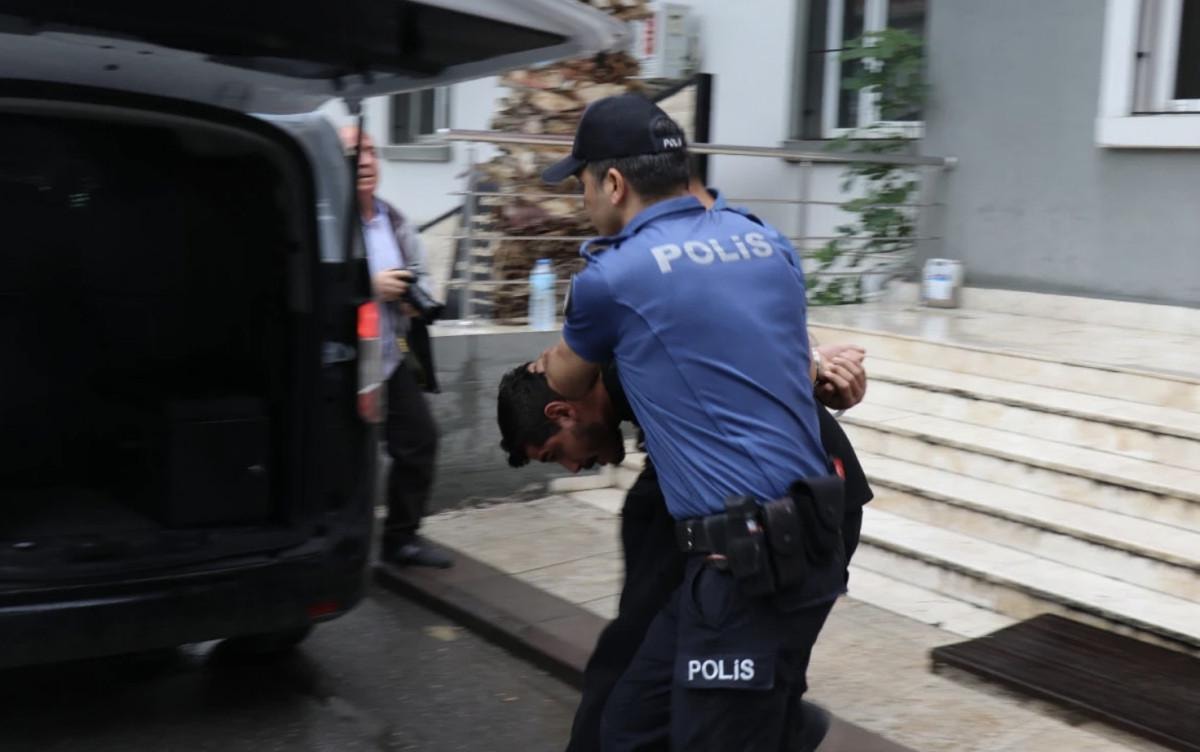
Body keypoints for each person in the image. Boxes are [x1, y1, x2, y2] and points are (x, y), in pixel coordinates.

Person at [528, 93, 851, 750]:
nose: (581, 199)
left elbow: (565, 379)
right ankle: (782, 727)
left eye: (581, 183)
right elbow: (789, 358)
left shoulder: (611, 277)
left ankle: (783, 730)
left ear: (613, 183)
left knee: (713, 734)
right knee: (631, 726)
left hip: (749, 568)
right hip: (798, 539)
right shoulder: (766, 241)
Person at [496, 339, 871, 752]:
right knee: (675, 668)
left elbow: (747, 336)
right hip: (769, 514)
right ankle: (782, 723)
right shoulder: (636, 384)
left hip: (803, 515)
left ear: (562, 412)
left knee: (729, 670)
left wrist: (811, 362)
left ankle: (783, 725)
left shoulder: (641, 365)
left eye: (555, 454)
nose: (572, 467)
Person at [340, 126, 452, 569]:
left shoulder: (394, 219)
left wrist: (412, 298)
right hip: (341, 366)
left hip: (387, 358)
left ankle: (401, 539)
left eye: (371, 151)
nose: (366, 161)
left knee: (419, 441)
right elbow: (312, 285)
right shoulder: (326, 220)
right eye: (355, 152)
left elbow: (419, 277)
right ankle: (342, 545)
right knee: (348, 458)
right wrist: (369, 286)